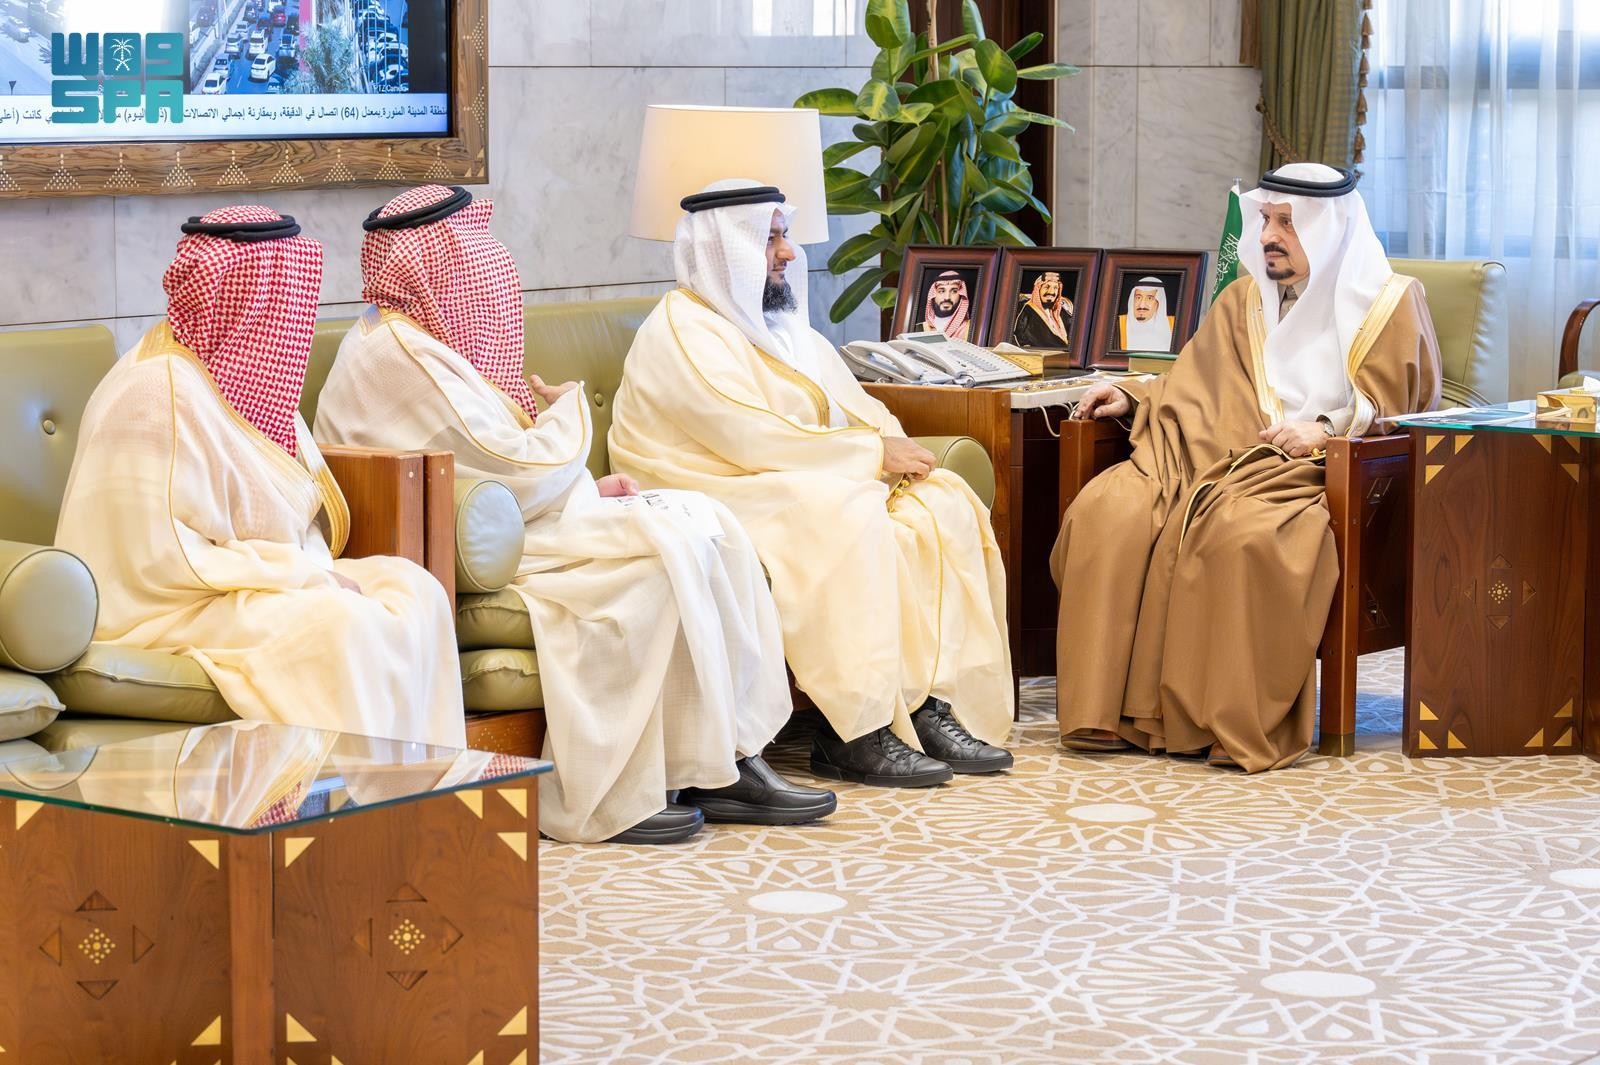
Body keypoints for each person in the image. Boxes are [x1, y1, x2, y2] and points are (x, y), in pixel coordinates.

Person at [313, 185, 834, 845]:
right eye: (472, 255)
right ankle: (610, 789)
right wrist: (570, 413)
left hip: (509, 523)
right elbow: (517, 466)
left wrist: (585, 489)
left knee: (708, 523)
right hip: (453, 547)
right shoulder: (397, 354)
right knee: (657, 564)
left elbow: (494, 461)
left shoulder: (418, 340)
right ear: (435, 264)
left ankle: (725, 760)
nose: (489, 271)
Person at [609, 178, 1015, 787]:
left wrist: (890, 448)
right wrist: (870, 456)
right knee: (840, 511)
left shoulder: (783, 328)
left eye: (784, 235)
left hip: (787, 476)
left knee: (942, 500)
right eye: (770, 238)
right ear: (724, 249)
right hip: (710, 486)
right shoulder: (682, 331)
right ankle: (853, 730)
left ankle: (923, 703)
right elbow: (748, 435)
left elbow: (856, 406)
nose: (788, 252)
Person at [1050, 163, 1442, 771]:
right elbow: (1195, 379)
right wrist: (1134, 395)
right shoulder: (1243, 299)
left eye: (1287, 223)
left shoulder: (1390, 303)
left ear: (1329, 228)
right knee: (1110, 510)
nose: (1268, 236)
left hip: (1319, 470)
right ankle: (1104, 712)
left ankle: (1220, 722)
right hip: (1212, 449)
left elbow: (1404, 407)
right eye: (1266, 220)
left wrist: (1326, 429)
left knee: (1238, 534)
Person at [55, 206, 466, 749]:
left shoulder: (239, 379)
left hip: (245, 586)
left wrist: (311, 573)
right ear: (252, 300)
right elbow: (163, 561)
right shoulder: (156, 392)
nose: (294, 322)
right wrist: (305, 576)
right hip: (162, 610)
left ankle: (427, 786)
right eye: (283, 300)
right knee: (342, 627)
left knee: (416, 589)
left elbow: (291, 510)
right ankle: (351, 796)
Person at [1010, 270, 1074, 350]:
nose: (1051, 292)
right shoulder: (1026, 311)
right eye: (1046, 287)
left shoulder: (1062, 312)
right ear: (1038, 289)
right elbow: (1018, 338)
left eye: (1055, 288)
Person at [1117, 277, 1175, 351]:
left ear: (1159, 302)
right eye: (1138, 298)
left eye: (1149, 298)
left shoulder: (1173, 325)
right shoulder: (1118, 324)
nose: (1142, 305)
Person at [920, 270, 972, 340]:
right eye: (941, 291)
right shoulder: (921, 327)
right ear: (934, 295)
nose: (947, 297)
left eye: (954, 291)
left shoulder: (969, 328)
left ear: (961, 295)